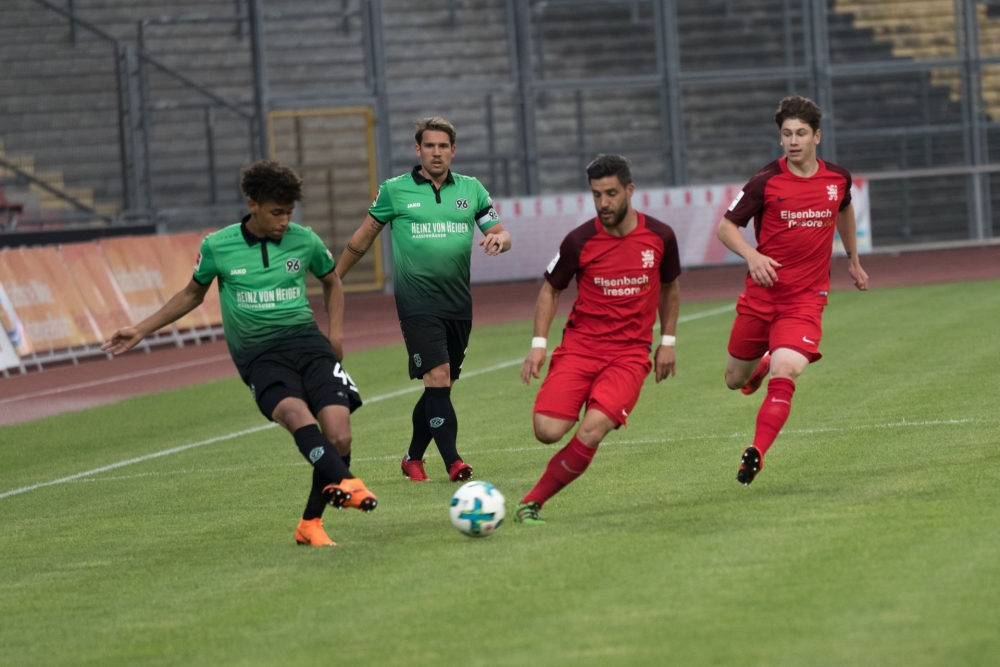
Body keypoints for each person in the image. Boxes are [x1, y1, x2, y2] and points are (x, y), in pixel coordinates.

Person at [102, 160, 376, 547]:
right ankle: (348, 483)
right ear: (253, 205)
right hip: (259, 355)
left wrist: (336, 335)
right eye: (276, 212)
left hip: (308, 344)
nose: (284, 221)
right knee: (295, 416)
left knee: (340, 436)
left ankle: (310, 524)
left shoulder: (305, 240)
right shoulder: (218, 245)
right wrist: (141, 330)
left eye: (289, 212)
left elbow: (332, 281)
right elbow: (192, 295)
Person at [336, 117, 511, 483]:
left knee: (440, 388)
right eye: (429, 146)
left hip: (458, 303)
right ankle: (454, 463)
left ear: (453, 150)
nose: (436, 152)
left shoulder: (472, 189)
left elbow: (500, 232)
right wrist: (334, 279)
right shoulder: (394, 190)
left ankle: (412, 457)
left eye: (443, 146)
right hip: (416, 302)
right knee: (438, 376)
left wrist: (500, 239)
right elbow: (363, 237)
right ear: (418, 150)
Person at [516, 154, 681, 524]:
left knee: (591, 430)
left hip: (629, 355)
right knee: (547, 430)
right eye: (596, 195)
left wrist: (667, 341)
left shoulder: (660, 236)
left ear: (629, 190)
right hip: (580, 349)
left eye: (611, 193)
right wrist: (538, 346)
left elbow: (670, 288)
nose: (603, 203)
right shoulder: (579, 241)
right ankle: (583, 400)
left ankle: (531, 502)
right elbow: (551, 290)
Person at [717, 95, 869, 486]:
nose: (793, 141)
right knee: (734, 379)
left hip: (805, 300)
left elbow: (844, 209)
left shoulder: (837, 179)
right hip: (761, 297)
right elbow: (726, 227)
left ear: (817, 136)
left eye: (801, 133)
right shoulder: (765, 181)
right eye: (787, 134)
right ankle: (760, 365)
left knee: (787, 369)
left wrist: (853, 259)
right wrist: (752, 255)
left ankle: (757, 451)